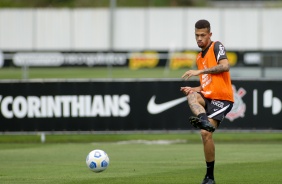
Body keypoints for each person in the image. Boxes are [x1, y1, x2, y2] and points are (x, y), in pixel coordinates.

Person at [180, 19, 234, 184]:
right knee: (190, 95)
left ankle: (209, 177)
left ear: (210, 34)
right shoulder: (199, 57)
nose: (199, 38)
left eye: (203, 35)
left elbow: (225, 66)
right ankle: (204, 121)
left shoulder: (216, 46)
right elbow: (206, 84)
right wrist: (194, 89)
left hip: (222, 99)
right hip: (208, 95)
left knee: (205, 133)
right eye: (197, 35)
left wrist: (200, 71)